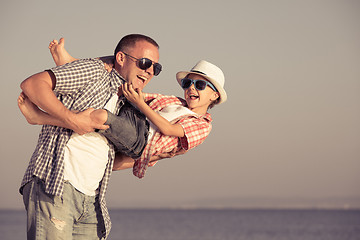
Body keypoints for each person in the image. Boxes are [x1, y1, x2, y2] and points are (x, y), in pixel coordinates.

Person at [18, 34, 161, 240]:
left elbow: (116, 157)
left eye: (155, 68)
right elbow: (32, 85)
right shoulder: (96, 71)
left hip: (92, 199)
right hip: (56, 185)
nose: (149, 71)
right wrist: (71, 119)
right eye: (145, 63)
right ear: (121, 58)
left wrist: (154, 156)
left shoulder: (129, 102)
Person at [20, 38, 228, 179]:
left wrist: (139, 104)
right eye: (187, 83)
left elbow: (169, 130)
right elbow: (139, 93)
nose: (191, 88)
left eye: (199, 85)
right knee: (122, 80)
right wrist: (137, 98)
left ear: (214, 95)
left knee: (101, 116)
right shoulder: (175, 102)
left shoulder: (202, 125)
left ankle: (41, 117)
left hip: (141, 141)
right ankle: (69, 62)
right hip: (135, 122)